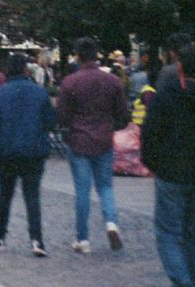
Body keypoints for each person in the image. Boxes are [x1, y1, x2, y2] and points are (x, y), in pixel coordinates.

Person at [140, 46, 195, 287]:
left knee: (168, 232)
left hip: (169, 171)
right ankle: (192, 280)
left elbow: (149, 133)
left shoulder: (166, 94)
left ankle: (183, 281)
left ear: (179, 66)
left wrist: (153, 163)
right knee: (194, 235)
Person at [57, 36, 130, 254]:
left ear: (78, 56)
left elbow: (61, 115)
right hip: (103, 139)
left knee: (82, 191)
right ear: (96, 55)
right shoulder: (112, 81)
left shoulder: (70, 82)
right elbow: (123, 114)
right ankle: (111, 223)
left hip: (79, 140)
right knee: (105, 187)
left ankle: (83, 239)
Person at [0, 52, 57, 257]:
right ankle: (37, 240)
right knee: (32, 196)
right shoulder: (40, 93)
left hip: (7, 150)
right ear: (26, 70)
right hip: (34, 150)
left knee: (5, 195)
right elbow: (51, 123)